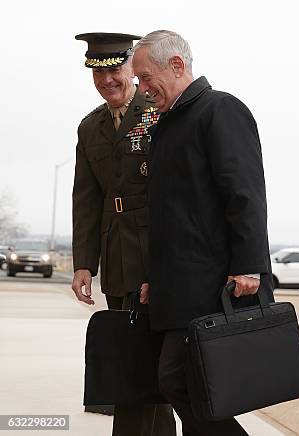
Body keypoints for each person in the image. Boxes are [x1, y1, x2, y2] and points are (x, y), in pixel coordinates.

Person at [132, 30, 274, 435]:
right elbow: (168, 214)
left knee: (178, 381)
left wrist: (250, 265)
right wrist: (152, 276)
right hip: (177, 285)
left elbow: (245, 193)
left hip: (214, 285)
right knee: (194, 389)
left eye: (145, 77)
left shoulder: (221, 110)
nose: (141, 89)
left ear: (176, 65)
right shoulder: (165, 127)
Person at [72, 32, 176, 436]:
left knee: (142, 370)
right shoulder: (90, 127)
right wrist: (84, 263)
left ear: (132, 69)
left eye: (114, 70)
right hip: (116, 257)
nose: (107, 81)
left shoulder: (158, 112)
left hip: (153, 255)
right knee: (135, 365)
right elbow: (86, 198)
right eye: (98, 74)